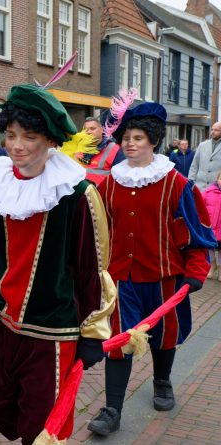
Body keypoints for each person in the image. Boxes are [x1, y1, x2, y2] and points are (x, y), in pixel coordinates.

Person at [0, 84, 115, 444]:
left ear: (49, 140)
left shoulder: (77, 194)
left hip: (52, 331)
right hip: (1, 320)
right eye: (10, 135)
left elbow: (94, 269)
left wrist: (92, 331)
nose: (17, 145)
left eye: (28, 136)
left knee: (42, 429)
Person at [88, 102, 216, 437]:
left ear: (154, 141)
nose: (130, 143)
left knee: (163, 337)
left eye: (139, 137)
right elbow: (97, 228)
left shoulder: (176, 184)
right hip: (121, 280)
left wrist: (196, 270)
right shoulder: (110, 183)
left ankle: (162, 382)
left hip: (164, 278)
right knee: (119, 341)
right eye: (127, 137)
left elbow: (196, 229)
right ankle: (113, 408)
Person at [80, 115, 125, 184]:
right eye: (85, 129)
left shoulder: (115, 149)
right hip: (81, 193)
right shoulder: (78, 149)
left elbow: (122, 179)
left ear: (101, 130)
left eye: (92, 128)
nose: (88, 132)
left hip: (103, 193)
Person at [188, 121, 221, 189]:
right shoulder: (202, 145)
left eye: (216, 130)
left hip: (216, 189)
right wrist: (191, 182)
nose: (213, 132)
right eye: (212, 129)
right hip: (199, 188)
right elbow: (194, 166)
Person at [202, 172, 221, 280]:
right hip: (211, 227)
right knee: (211, 248)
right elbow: (200, 205)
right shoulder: (208, 192)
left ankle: (220, 268)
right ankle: (212, 266)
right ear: (216, 179)